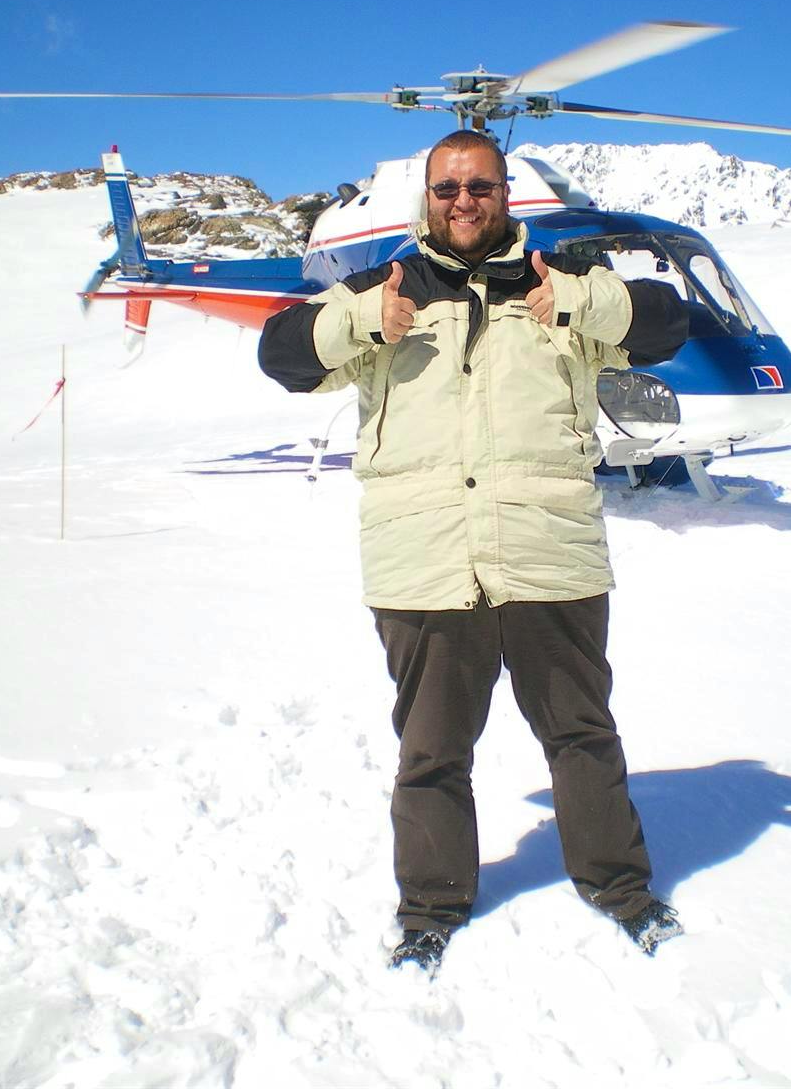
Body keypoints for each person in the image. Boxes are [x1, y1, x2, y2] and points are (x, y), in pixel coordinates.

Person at [258, 130, 689, 974]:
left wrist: (581, 306)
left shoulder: (564, 288)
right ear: (427, 198)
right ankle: (430, 907)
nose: (464, 202)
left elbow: (671, 324)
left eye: (481, 188)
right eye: (448, 189)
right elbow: (279, 355)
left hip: (548, 553)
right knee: (431, 754)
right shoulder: (383, 291)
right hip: (424, 560)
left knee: (581, 735)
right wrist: (358, 320)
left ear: (505, 195)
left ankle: (620, 889)